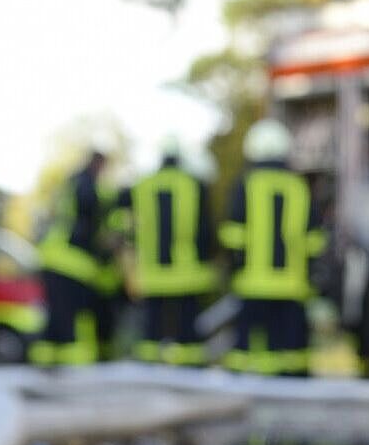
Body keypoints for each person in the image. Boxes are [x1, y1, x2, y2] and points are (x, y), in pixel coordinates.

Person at [220, 119, 326, 376]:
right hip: (292, 287)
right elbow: (315, 240)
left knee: (246, 356)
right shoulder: (299, 187)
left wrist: (235, 268)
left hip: (253, 287)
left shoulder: (245, 184)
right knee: (292, 358)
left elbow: (232, 235)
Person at [128, 136, 216, 365]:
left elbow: (128, 224)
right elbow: (205, 228)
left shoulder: (143, 185)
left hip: (153, 273)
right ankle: (190, 371)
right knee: (187, 333)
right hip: (186, 273)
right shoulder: (194, 184)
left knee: (152, 331)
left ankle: (150, 370)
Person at [32, 150, 113, 365]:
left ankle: (45, 362)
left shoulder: (71, 183)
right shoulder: (88, 186)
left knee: (55, 318)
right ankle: (73, 364)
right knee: (74, 319)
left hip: (51, 256)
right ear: (98, 163)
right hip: (71, 262)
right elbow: (90, 223)